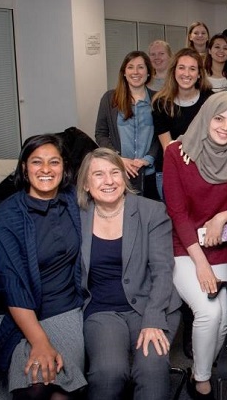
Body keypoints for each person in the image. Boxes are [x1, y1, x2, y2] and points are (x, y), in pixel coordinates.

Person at [163, 92, 227, 399]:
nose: (226, 128)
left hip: (223, 243)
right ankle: (202, 382)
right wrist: (200, 264)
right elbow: (177, 213)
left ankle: (202, 369)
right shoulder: (177, 152)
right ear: (205, 116)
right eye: (219, 118)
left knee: (222, 318)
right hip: (186, 246)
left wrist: (223, 216)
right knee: (207, 312)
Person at [0, 134, 87, 399]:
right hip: (10, 312)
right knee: (33, 389)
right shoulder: (4, 217)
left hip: (63, 307)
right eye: (37, 162)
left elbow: (112, 184)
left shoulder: (77, 202)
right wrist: (39, 342)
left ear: (65, 168)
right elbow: (12, 284)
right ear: (24, 169)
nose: (46, 169)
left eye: (54, 162)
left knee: (56, 388)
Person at [77, 148, 182, 400]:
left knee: (152, 368)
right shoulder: (75, 215)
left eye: (115, 172)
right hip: (101, 309)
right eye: (99, 174)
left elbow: (162, 269)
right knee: (108, 372)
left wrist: (153, 319)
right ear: (86, 184)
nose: (109, 180)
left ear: (125, 177)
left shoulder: (151, 211)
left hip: (151, 304)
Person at [95, 50, 161, 199]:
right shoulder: (110, 98)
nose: (135, 72)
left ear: (149, 72)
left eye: (141, 67)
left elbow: (161, 136)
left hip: (149, 173)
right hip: (119, 172)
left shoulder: (158, 99)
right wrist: (118, 158)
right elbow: (101, 134)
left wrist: (147, 159)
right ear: (124, 72)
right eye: (130, 67)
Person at [152, 48, 213, 198]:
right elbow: (168, 148)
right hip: (171, 171)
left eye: (192, 69)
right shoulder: (161, 103)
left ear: (199, 74)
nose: (186, 74)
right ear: (173, 71)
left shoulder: (210, 100)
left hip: (203, 171)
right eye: (181, 68)